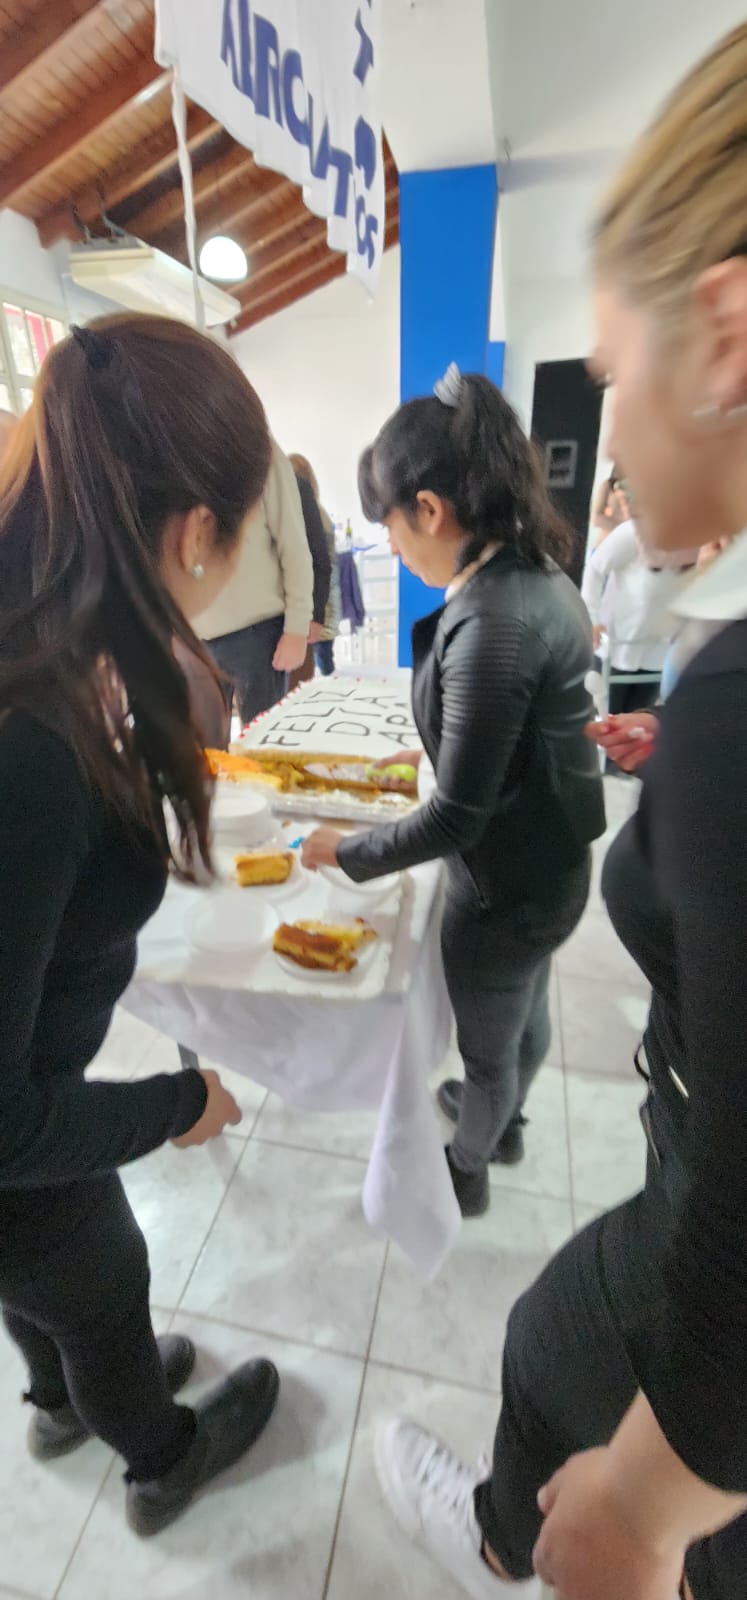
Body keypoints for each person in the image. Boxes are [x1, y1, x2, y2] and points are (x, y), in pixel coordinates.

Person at [368, 24, 747, 1600]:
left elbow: (458, 801)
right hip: (556, 863)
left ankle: (475, 1148)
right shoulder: (541, 594)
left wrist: (650, 1502)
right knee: (511, 1020)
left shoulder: (509, 618)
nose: (607, 405)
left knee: (494, 1036)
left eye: (608, 361)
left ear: (720, 332)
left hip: (523, 891)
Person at [0, 313, 280, 1538]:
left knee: (47, 1276)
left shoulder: (47, 631)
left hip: (26, 1099)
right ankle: (161, 1453)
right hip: (15, 1132)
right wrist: (176, 1104)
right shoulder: (29, 747)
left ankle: (59, 1394)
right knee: (103, 1277)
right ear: (194, 530)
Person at [302, 364, 606, 1218]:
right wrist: (431, 753)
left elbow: (456, 818)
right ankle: (501, 1122)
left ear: (430, 510)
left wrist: (346, 851)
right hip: (551, 866)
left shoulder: (492, 623)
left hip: (503, 888)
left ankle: (468, 1165)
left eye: (392, 528)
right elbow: (509, 741)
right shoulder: (537, 574)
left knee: (487, 1044)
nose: (394, 548)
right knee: (524, 1006)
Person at [196, 440, 312, 725]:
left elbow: (294, 545)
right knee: (204, 747)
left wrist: (297, 628)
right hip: (195, 638)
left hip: (258, 636)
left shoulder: (261, 449)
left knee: (262, 743)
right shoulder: (179, 450)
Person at [581, 513, 697, 720]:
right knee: (605, 720)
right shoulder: (634, 531)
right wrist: (592, 619)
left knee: (636, 726)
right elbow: (595, 568)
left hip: (659, 655)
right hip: (616, 648)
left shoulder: (702, 545)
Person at [290, 451, 341, 675]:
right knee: (324, 656)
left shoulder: (307, 518)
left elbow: (319, 564)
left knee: (318, 660)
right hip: (327, 601)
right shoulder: (322, 515)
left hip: (318, 605)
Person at [590, 466, 630, 545]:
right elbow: (596, 518)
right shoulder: (608, 485)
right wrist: (623, 529)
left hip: (629, 543)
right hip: (607, 541)